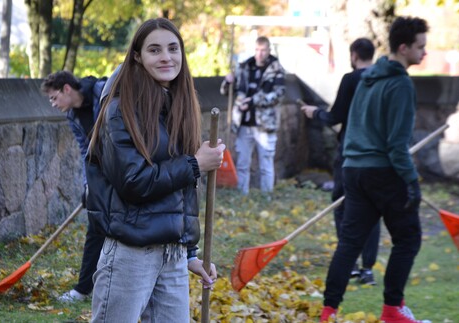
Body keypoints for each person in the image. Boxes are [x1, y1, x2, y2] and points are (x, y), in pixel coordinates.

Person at [85, 18, 224, 322]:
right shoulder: (120, 111)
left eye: (173, 49)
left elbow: (181, 191)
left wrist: (189, 253)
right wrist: (195, 164)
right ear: (137, 56)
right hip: (129, 255)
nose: (166, 57)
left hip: (172, 256)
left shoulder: (178, 106)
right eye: (155, 49)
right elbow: (134, 184)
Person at [320, 17, 430, 323]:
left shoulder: (365, 79)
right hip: (382, 172)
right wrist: (411, 181)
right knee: (408, 239)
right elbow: (397, 146)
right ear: (404, 47)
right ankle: (392, 309)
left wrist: (353, 165)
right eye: (421, 47)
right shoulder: (400, 84)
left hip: (353, 170)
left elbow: (352, 129)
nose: (425, 53)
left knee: (349, 244)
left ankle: (327, 312)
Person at [301, 38, 380, 286]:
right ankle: (366, 268)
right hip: (377, 155)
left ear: (354, 55)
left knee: (342, 204)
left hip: (350, 154)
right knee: (372, 208)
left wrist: (315, 113)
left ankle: (351, 265)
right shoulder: (383, 77)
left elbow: (336, 116)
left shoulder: (352, 79)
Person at [41, 71, 107, 302]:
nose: (53, 103)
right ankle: (83, 288)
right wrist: (89, 185)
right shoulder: (72, 116)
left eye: (54, 97)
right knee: (96, 226)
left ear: (67, 89)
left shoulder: (103, 92)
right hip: (103, 174)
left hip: (128, 170)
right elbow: (85, 151)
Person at [220, 36, 286, 195]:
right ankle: (243, 197)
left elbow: (279, 95)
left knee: (266, 164)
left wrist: (252, 101)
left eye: (263, 50)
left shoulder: (276, 69)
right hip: (244, 123)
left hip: (265, 125)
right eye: (257, 50)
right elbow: (225, 93)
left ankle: (266, 196)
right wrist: (227, 82)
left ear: (269, 50)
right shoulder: (244, 67)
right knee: (242, 164)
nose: (260, 54)